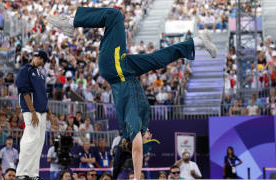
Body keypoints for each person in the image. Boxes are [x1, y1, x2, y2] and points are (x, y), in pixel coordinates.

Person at [48, 7, 217, 179]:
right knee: (159, 58)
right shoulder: (140, 123)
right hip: (127, 72)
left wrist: (137, 177)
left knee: (115, 15)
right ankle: (198, 42)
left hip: (116, 70)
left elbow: (136, 149)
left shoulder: (133, 127)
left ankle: (70, 22)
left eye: (148, 140)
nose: (151, 136)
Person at [15, 50, 55, 180]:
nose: (40, 61)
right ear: (35, 57)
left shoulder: (41, 75)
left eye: (43, 61)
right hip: (31, 110)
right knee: (30, 139)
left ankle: (33, 174)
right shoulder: (25, 70)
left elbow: (43, 96)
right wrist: (32, 112)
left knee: (38, 142)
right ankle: (21, 172)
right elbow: (24, 90)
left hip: (42, 112)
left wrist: (50, 114)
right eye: (39, 58)